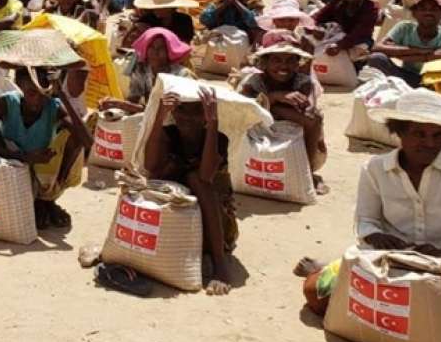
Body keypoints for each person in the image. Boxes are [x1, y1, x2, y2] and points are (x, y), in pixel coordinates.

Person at [295, 89, 441, 320]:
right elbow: (366, 220)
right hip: (386, 260)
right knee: (316, 292)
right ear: (398, 132)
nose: (429, 143)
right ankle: (330, 267)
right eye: (419, 134)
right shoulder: (375, 169)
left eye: (438, 135)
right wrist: (378, 237)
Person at [0, 66, 92, 230]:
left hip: (42, 170)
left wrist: (62, 96)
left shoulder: (53, 106)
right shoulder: (6, 102)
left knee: (74, 139)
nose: (37, 100)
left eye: (43, 93)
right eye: (31, 92)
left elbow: (87, 141)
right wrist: (23, 156)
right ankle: (40, 203)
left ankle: (47, 200)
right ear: (19, 86)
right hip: (14, 166)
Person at [143, 85, 237, 295]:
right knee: (154, 176)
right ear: (174, 113)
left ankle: (219, 263)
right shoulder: (169, 135)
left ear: (205, 115)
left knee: (197, 180)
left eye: (196, 111)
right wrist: (159, 118)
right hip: (177, 222)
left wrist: (213, 124)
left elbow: (206, 176)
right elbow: (150, 166)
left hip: (216, 224)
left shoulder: (218, 139)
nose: (187, 117)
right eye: (181, 110)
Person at [238, 38, 328, 194]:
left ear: (297, 64)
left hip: (291, 130)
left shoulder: (303, 83)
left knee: (315, 120)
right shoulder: (253, 82)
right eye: (276, 60)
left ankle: (308, 171)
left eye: (290, 61)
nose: (283, 66)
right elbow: (245, 110)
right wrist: (275, 97)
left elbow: (309, 114)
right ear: (264, 63)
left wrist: (276, 108)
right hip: (260, 131)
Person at [367, 0, 441, 86]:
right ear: (414, 13)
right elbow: (377, 47)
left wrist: (415, 57)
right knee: (376, 58)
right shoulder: (404, 27)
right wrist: (419, 50)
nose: (428, 13)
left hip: (437, 80)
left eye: (434, 9)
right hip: (407, 77)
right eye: (423, 9)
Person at [104, 27, 195, 111]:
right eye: (151, 47)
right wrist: (116, 104)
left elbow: (184, 111)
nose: (155, 52)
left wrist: (124, 105)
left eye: (161, 48)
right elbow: (133, 101)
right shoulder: (141, 70)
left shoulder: (181, 75)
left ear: (169, 52)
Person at [310, 0, 378, 64]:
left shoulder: (371, 7)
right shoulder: (337, 2)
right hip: (336, 37)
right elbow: (319, 16)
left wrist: (340, 45)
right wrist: (316, 27)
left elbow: (359, 32)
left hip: (358, 42)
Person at [129, 0, 198, 45]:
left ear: (171, 8)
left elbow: (184, 46)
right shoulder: (147, 19)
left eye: (160, 5)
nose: (156, 8)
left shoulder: (184, 21)